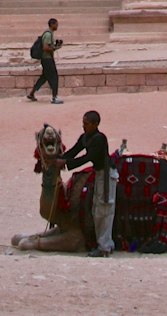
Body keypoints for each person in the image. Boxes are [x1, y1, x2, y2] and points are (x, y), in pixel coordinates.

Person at [63, 110, 116, 257]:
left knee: (104, 210)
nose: (83, 126)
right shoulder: (85, 137)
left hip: (106, 175)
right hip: (99, 174)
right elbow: (74, 151)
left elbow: (88, 157)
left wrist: (67, 164)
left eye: (86, 124)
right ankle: (102, 244)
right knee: (96, 211)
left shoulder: (99, 139)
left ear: (95, 124)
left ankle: (105, 246)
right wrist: (60, 159)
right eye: (83, 123)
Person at [27, 17, 63, 104]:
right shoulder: (48, 34)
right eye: (56, 24)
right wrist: (55, 48)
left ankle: (32, 93)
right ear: (52, 24)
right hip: (47, 59)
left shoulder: (49, 34)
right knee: (54, 77)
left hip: (46, 59)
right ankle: (54, 97)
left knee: (44, 77)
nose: (57, 26)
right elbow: (46, 47)